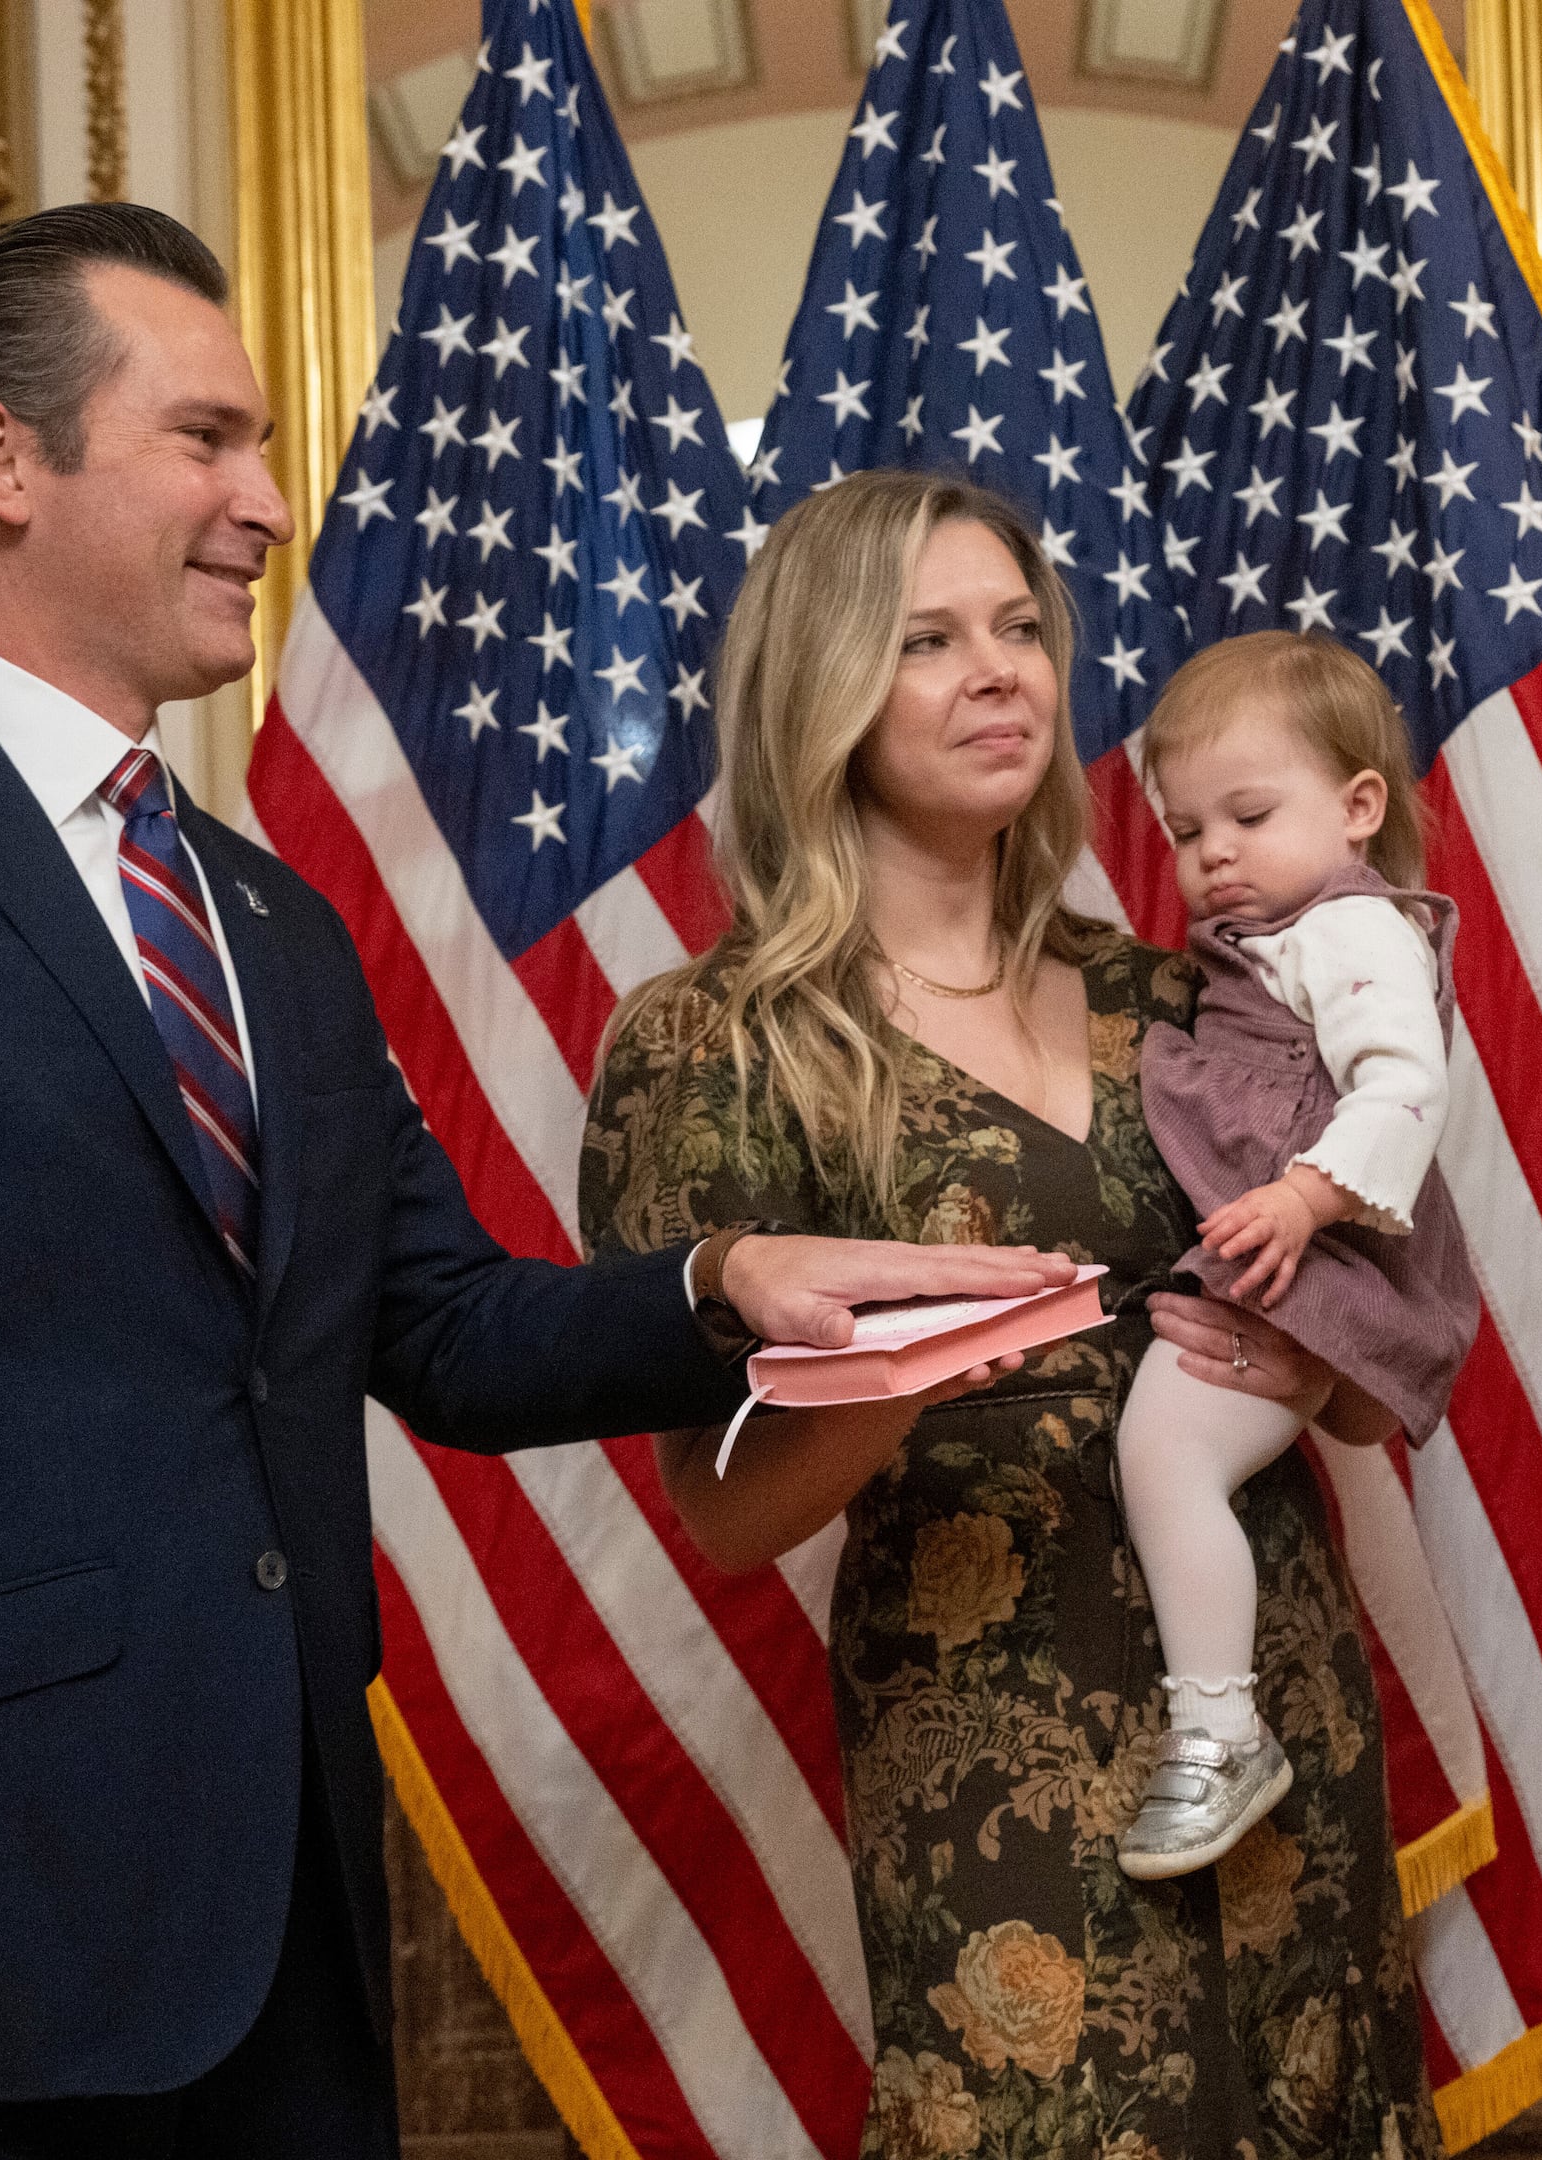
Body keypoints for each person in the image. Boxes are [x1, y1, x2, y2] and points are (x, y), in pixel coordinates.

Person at [0, 203, 1062, 2160]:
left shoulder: (269, 920)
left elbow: (440, 1326)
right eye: (211, 439)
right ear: (2, 459)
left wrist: (726, 1288)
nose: (270, 501)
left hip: (274, 1967)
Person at [581, 471, 1444, 2160]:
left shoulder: (1185, 985)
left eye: (1019, 629)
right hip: (997, 1769)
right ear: (823, 690)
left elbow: (1367, 1363)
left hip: (1274, 1720)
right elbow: (725, 1511)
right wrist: (921, 1367)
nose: (999, 672)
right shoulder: (714, 1044)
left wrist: (1301, 1358)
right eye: (926, 641)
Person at [1109, 632, 1479, 1881]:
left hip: (1319, 1247)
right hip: (1291, 1237)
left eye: (1249, 815)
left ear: (1359, 807)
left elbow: (1404, 1085)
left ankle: (1218, 1730)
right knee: (1167, 1456)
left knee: (1163, 1453)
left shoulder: (1357, 932)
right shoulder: (1275, 940)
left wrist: (1306, 1201)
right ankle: (1215, 1724)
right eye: (1185, 829)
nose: (1211, 854)